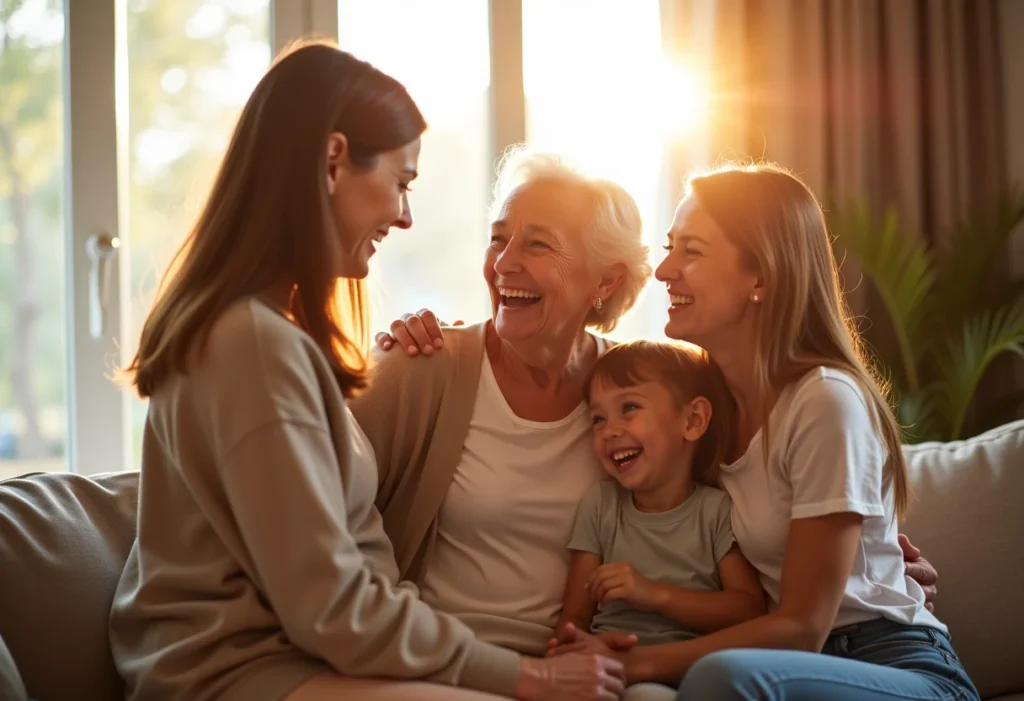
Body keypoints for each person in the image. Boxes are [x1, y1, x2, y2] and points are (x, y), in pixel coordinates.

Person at [109, 41, 626, 701]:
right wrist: (528, 675)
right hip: (241, 673)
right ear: (333, 162)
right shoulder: (252, 346)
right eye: (401, 181)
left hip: (306, 658)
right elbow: (331, 605)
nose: (405, 215)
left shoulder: (271, 337)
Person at [544, 163, 980, 700]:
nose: (664, 272)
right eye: (670, 246)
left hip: (890, 664)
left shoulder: (824, 400)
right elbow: (606, 377)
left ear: (761, 276)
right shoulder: (704, 409)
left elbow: (801, 628)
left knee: (719, 679)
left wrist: (631, 664)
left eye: (693, 251)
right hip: (784, 666)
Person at [550, 341, 766, 653]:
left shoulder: (716, 511)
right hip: (607, 662)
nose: (609, 431)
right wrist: (567, 650)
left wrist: (655, 594)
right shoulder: (600, 506)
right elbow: (575, 614)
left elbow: (747, 609)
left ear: (692, 421)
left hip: (683, 669)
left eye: (629, 408)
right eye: (598, 419)